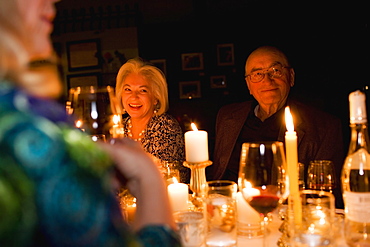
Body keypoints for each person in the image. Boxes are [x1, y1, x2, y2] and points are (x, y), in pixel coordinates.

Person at [0, 0, 180, 246]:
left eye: (143, 91)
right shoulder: (25, 132)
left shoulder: (21, 113)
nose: (53, 2)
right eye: (128, 89)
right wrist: (149, 177)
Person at [207, 46, 345, 208]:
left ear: (291, 77)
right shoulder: (227, 116)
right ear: (248, 85)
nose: (267, 80)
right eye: (257, 74)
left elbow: (326, 198)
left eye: (276, 70)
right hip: (226, 211)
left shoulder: (324, 127)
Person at [115, 58, 188, 182]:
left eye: (143, 90)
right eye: (128, 89)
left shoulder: (165, 126)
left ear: (155, 98)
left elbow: (164, 179)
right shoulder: (119, 127)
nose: (134, 96)